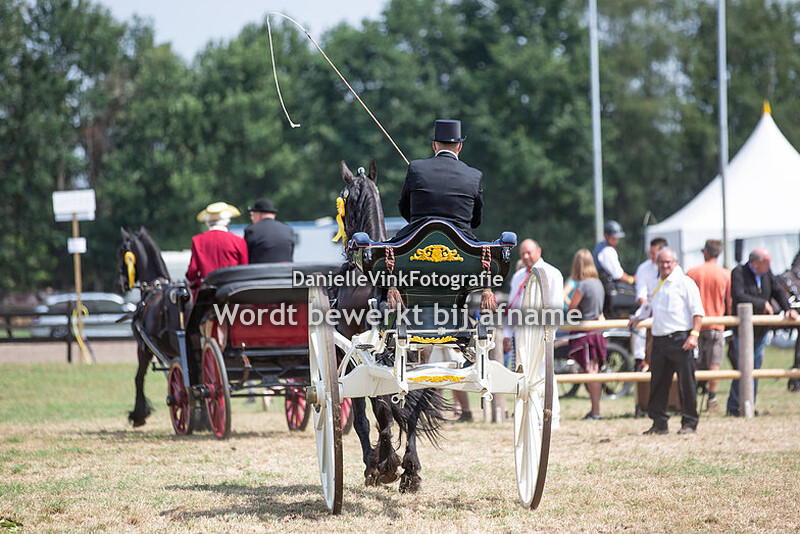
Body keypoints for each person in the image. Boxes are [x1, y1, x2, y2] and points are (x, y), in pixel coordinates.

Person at [630, 247, 704, 435]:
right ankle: (659, 423)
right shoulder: (657, 283)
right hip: (660, 340)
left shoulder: (685, 282)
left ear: (675, 262)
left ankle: (689, 422)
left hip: (681, 338)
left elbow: (697, 311)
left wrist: (694, 334)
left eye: (668, 262)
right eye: (661, 262)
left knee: (686, 384)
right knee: (658, 384)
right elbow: (649, 308)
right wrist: (637, 317)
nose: (664, 265)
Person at [726, 247, 798, 416]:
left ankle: (749, 404)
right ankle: (734, 405)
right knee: (744, 367)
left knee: (755, 367)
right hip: (742, 331)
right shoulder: (739, 272)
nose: (769, 265)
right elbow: (738, 295)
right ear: (756, 263)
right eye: (767, 262)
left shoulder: (767, 273)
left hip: (760, 330)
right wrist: (761, 303)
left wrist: (788, 309)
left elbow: (778, 291)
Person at [504, 238, 562, 428]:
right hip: (522, 335)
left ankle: (551, 417)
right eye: (523, 254)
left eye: (529, 252)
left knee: (545, 375)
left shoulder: (553, 274)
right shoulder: (519, 276)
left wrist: (549, 334)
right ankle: (529, 416)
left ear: (539, 251)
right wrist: (506, 333)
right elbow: (513, 307)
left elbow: (556, 306)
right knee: (524, 376)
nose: (526, 256)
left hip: (541, 332)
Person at [397, 119, 483, 240]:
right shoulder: (474, 175)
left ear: (434, 145)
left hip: (416, 239)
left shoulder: (416, 168)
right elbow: (476, 221)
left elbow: (404, 207)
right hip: (462, 243)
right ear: (460, 147)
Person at [686, 239, 731, 413]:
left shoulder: (692, 272)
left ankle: (691, 398)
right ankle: (711, 399)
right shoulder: (725, 274)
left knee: (693, 363)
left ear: (705, 252)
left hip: (694, 326)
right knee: (714, 364)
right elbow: (729, 301)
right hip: (715, 325)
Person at [566, 249, 606, 420]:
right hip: (596, 332)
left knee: (591, 373)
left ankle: (596, 411)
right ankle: (594, 410)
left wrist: (569, 305)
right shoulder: (598, 283)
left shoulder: (582, 285)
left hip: (585, 333)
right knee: (593, 371)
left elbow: (571, 308)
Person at [186, 202, 248, 298]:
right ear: (227, 222)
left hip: (207, 293)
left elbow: (193, 270)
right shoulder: (238, 241)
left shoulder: (197, 240)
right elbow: (244, 269)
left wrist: (192, 281)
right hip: (233, 292)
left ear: (207, 222)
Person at [632, 237, 668, 371]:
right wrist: (649, 308)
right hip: (649, 306)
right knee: (638, 320)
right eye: (650, 253)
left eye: (654, 254)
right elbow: (641, 295)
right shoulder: (643, 268)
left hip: (667, 308)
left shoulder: (672, 269)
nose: (651, 256)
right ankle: (639, 359)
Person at [244, 198, 295, 263]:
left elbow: (246, 258)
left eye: (252, 215)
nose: (252, 219)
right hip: (285, 272)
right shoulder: (288, 229)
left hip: (261, 272)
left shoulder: (252, 230)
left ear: (258, 214)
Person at [593, 220, 635, 286]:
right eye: (613, 237)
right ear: (606, 236)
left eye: (617, 237)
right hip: (607, 288)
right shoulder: (607, 251)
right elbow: (617, 274)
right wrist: (632, 280)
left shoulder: (600, 246)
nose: (616, 240)